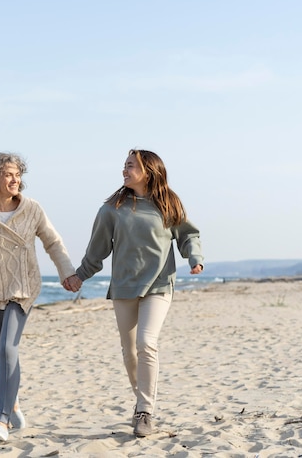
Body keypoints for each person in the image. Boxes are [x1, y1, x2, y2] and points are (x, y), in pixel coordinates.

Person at [65, 149, 204, 438]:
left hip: (159, 284)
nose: (124, 171)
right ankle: (141, 399)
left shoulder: (168, 203)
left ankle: (145, 411)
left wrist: (194, 257)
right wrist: (79, 276)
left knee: (146, 343)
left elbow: (188, 235)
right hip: (124, 287)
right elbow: (97, 250)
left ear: (148, 171)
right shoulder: (112, 208)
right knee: (130, 352)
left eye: (130, 166)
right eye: (124, 166)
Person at [0, 152, 80, 442]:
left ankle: (3, 419)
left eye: (18, 174)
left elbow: (53, 241)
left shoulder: (32, 209)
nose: (15, 179)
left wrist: (67, 273)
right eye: (8, 174)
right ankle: (14, 403)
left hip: (22, 287)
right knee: (0, 356)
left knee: (9, 348)